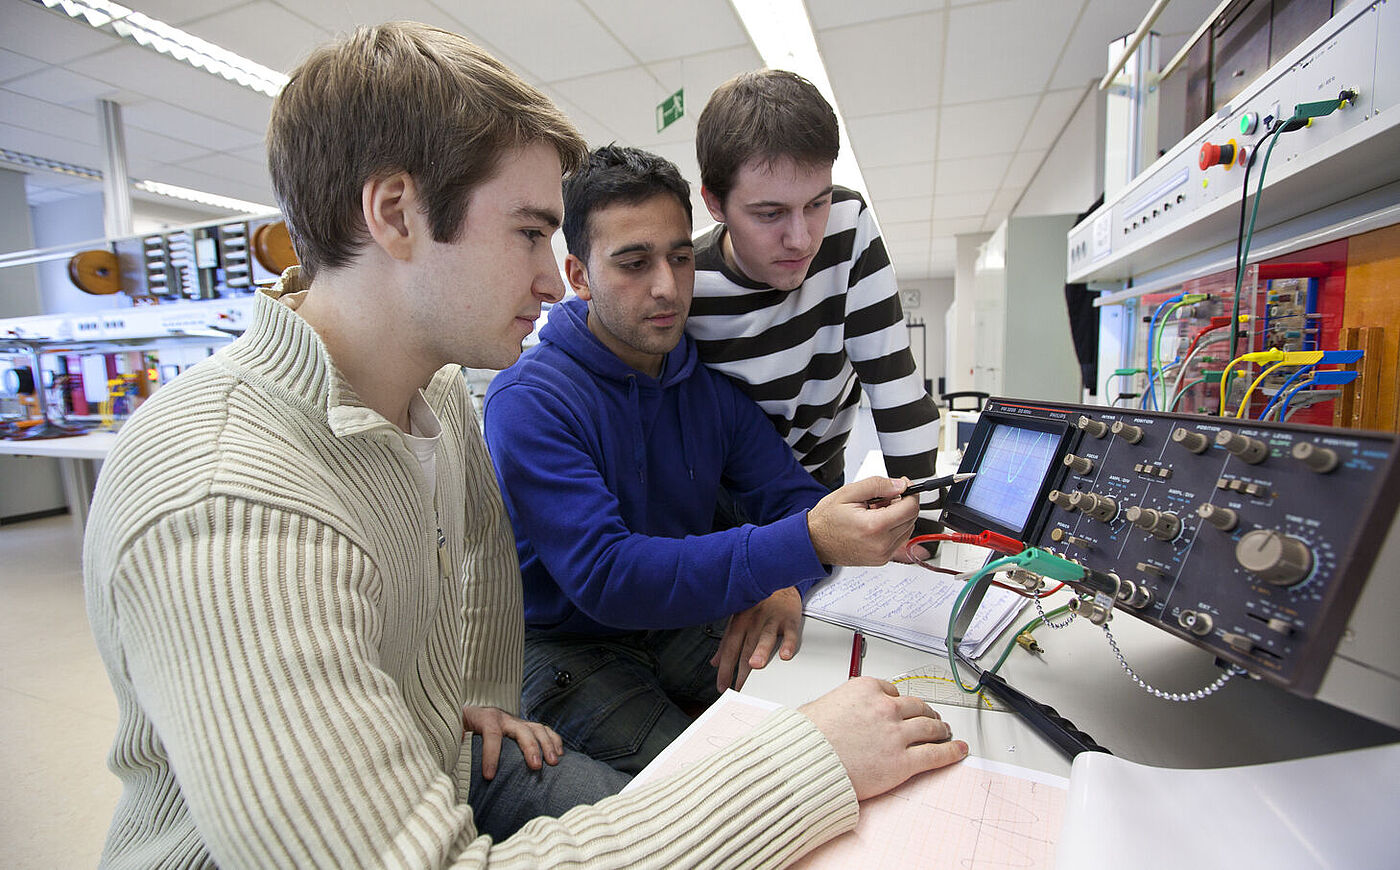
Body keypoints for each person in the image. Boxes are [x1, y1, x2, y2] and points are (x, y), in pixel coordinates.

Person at [82, 22, 967, 869]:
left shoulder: (428, 401)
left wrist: (460, 704)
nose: (555, 283)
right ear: (396, 213)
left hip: (456, 749)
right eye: (531, 234)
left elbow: (465, 592)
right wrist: (805, 764)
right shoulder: (227, 500)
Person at [484, 145, 922, 775]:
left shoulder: (703, 390)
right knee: (721, 787)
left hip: (676, 620)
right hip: (569, 648)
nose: (667, 287)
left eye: (681, 259)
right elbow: (609, 576)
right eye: (633, 264)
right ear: (578, 277)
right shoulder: (529, 401)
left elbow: (796, 498)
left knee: (822, 701)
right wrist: (801, 545)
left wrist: (786, 580)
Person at [689, 70, 943, 529]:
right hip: (724, 506)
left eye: (815, 204)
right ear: (714, 203)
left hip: (824, 480)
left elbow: (897, 394)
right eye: (769, 214)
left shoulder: (848, 225)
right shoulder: (688, 282)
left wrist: (923, 531)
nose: (802, 240)